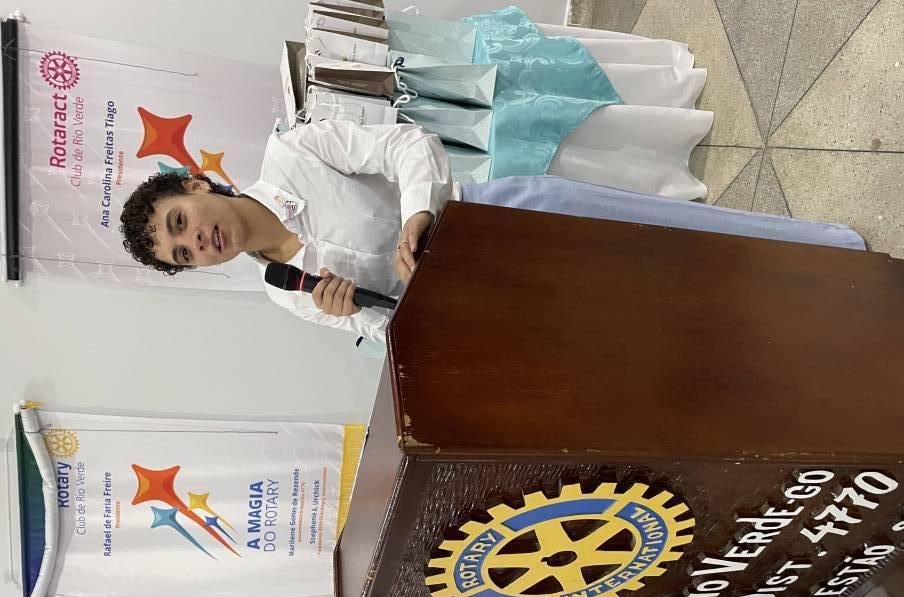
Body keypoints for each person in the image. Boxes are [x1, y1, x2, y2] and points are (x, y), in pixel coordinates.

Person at [119, 120, 865, 346]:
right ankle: (811, 328)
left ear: (197, 185)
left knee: (668, 242)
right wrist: (364, 313)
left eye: (181, 222)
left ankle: (830, 258)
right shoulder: (284, 291)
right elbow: (397, 329)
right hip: (494, 307)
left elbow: (406, 145)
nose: (196, 242)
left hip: (500, 220)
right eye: (182, 255)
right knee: (658, 316)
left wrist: (417, 212)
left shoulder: (291, 153)